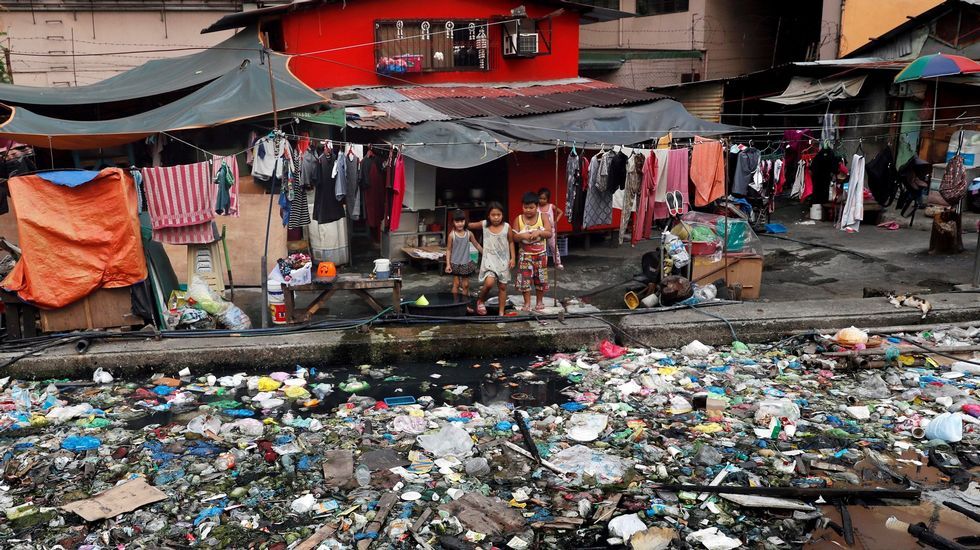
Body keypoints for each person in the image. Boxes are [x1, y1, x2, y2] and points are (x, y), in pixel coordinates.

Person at [468, 202, 515, 316]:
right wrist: (459, 222)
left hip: (503, 261)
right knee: (489, 283)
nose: (496, 217)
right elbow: (469, 225)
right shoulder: (484, 224)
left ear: (502, 215)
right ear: (488, 215)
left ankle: (501, 312)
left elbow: (511, 242)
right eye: (493, 215)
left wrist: (513, 258)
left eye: (498, 214)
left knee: (502, 287)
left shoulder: (507, 227)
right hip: (489, 260)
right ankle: (481, 300)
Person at [513, 191, 553, 312]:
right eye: (525, 207)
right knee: (525, 280)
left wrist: (539, 232)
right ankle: (527, 303)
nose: (528, 210)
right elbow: (514, 237)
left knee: (540, 279)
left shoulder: (543, 217)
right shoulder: (518, 219)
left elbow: (549, 233)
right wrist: (522, 236)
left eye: (531, 207)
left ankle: (539, 301)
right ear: (522, 206)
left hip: (540, 255)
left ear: (537, 207)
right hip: (525, 256)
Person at [445, 209, 482, 301]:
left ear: (465, 221)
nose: (460, 224)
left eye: (462, 221)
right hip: (455, 263)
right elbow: (448, 250)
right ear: (453, 222)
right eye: (457, 221)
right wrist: (448, 264)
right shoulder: (451, 235)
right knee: (456, 284)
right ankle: (454, 303)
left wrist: (485, 253)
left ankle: (465, 304)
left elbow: (476, 244)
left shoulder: (469, 234)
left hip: (466, 263)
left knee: (466, 285)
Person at [537, 187, 564, 270]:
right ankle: (542, 264)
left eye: (544, 199)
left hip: (551, 230)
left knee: (553, 246)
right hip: (540, 230)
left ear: (547, 199)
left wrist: (556, 220)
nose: (542, 200)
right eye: (540, 198)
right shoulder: (536, 207)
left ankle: (557, 263)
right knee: (541, 248)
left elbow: (560, 212)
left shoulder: (551, 206)